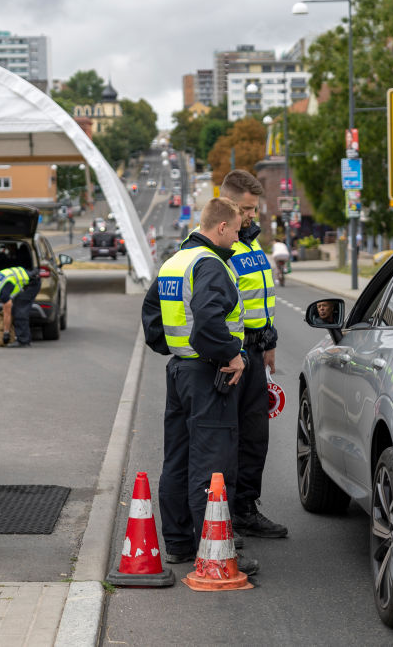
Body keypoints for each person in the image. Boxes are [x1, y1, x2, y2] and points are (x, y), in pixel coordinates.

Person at [141, 197, 259, 575]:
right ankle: (211, 551)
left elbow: (152, 318)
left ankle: (177, 543)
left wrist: (177, 349)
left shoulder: (175, 261)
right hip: (208, 374)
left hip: (180, 371)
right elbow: (209, 320)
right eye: (237, 231)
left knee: (177, 458)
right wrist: (231, 355)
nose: (238, 240)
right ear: (221, 227)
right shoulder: (210, 264)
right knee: (211, 464)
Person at [211, 170, 288, 540]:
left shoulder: (252, 243)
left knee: (256, 436)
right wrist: (233, 352)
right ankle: (219, 516)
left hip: (257, 350)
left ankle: (245, 509)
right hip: (233, 353)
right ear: (226, 205)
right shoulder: (220, 246)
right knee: (227, 438)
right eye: (244, 209)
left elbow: (261, 299)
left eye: (254, 209)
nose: (250, 216)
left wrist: (269, 342)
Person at [0, 266, 41, 348]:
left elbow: (7, 313)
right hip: (28, 279)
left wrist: (6, 332)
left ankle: (23, 341)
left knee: (20, 312)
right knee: (17, 309)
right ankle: (22, 336)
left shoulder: (2, 290)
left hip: (32, 284)